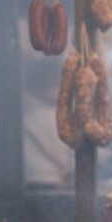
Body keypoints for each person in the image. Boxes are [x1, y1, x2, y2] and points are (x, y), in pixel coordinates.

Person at [23, 56, 74, 189]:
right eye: (58, 85)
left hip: (31, 184)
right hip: (43, 184)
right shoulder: (41, 114)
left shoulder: (26, 107)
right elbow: (64, 158)